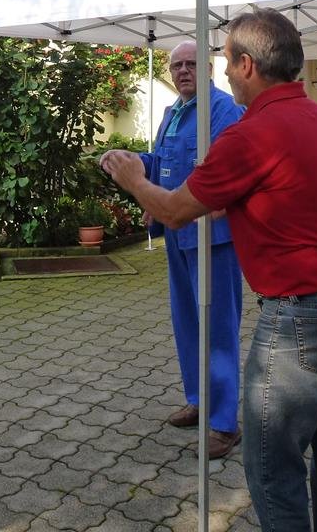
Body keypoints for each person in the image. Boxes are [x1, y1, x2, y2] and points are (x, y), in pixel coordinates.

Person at [101, 9, 317, 532]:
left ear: (248, 65)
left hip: (303, 316)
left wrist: (134, 180)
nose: (224, 72)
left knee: (273, 464)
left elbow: (174, 211)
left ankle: (220, 417)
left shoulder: (249, 134)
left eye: (227, 62)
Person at [125, 40, 245, 459]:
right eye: (176, 65)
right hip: (177, 232)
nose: (183, 71)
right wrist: (137, 170)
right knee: (187, 321)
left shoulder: (224, 110)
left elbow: (226, 170)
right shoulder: (172, 112)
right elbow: (164, 162)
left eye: (191, 64)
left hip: (213, 235)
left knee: (218, 327)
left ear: (208, 69)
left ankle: (225, 423)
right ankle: (198, 399)